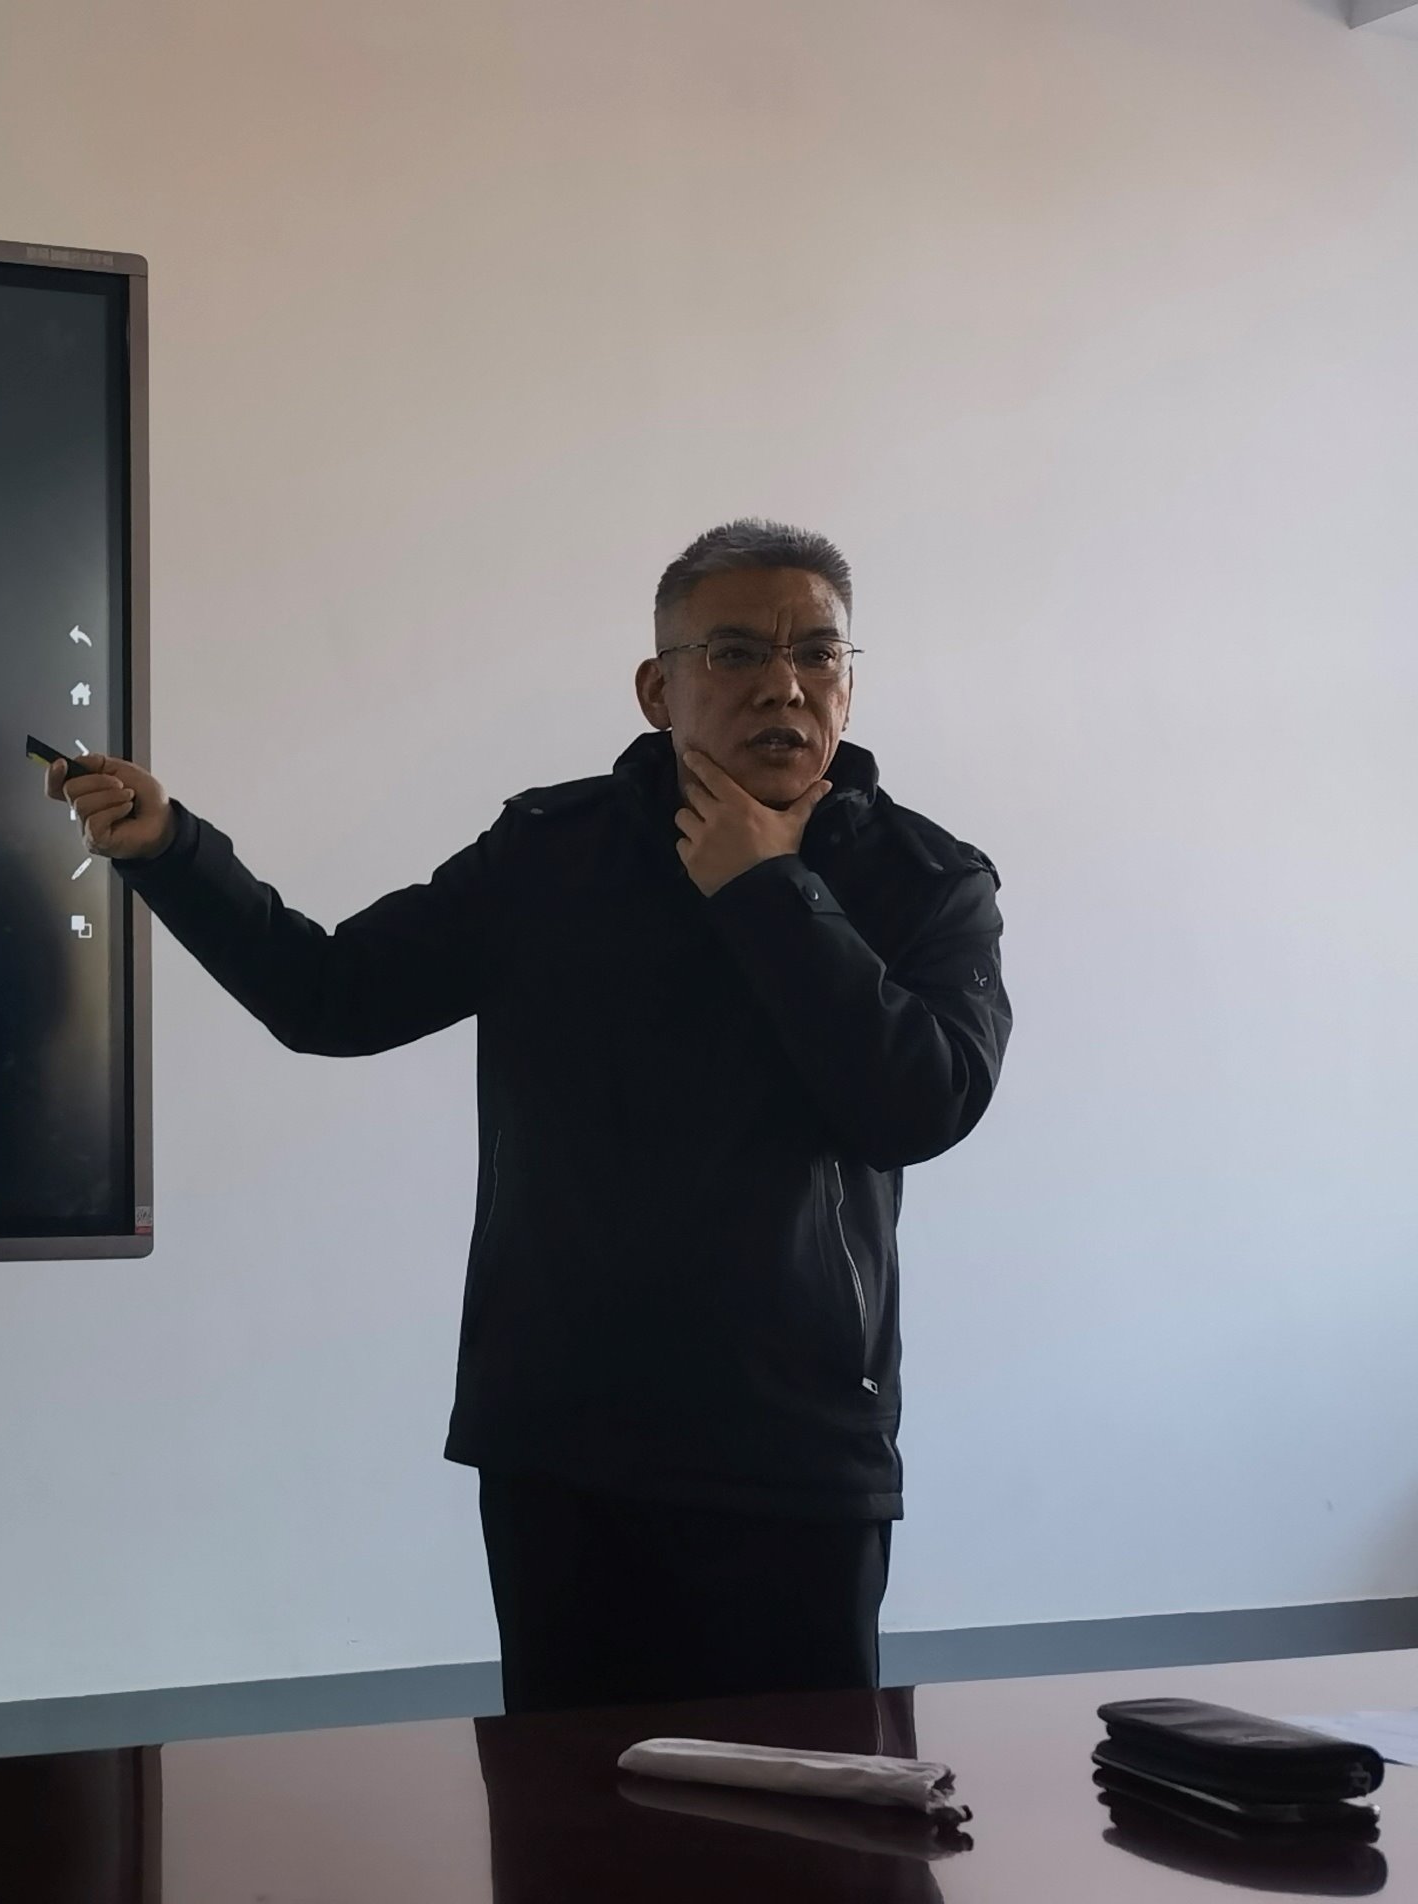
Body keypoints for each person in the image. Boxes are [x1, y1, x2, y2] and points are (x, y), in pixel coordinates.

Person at [52, 520, 1010, 1713]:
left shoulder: (925, 881)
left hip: (797, 1448)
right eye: (735, 653)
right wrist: (171, 849)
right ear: (658, 688)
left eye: (818, 652)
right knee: (569, 1806)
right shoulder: (552, 856)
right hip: (563, 1442)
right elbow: (331, 996)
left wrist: (769, 888)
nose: (784, 684)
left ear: (848, 681)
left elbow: (919, 1103)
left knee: (805, 1804)